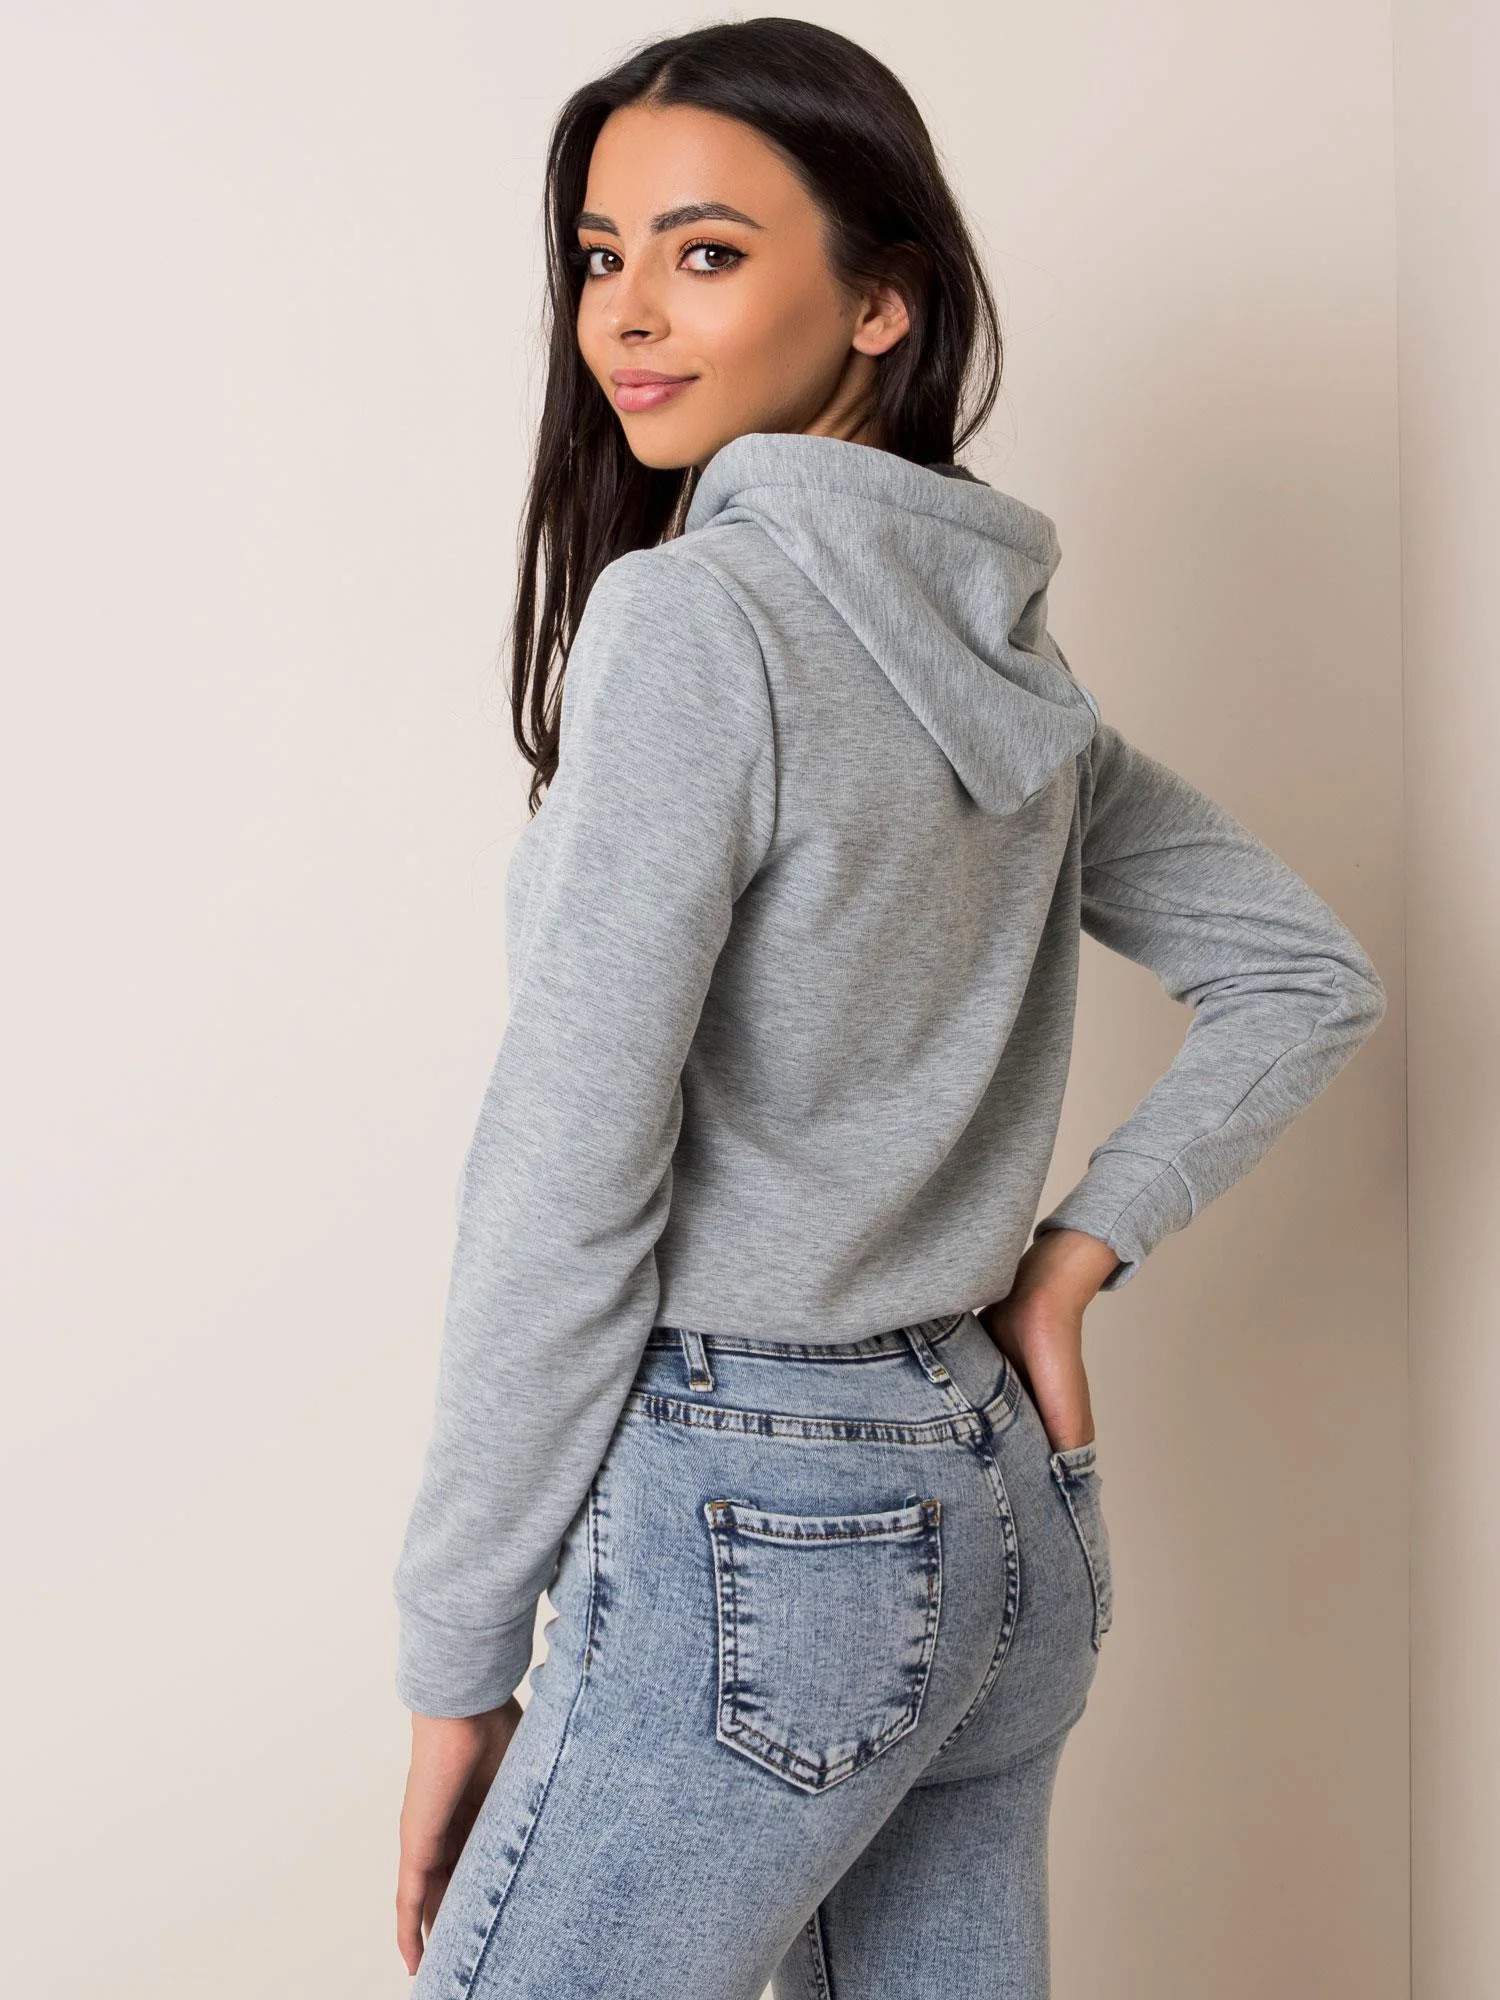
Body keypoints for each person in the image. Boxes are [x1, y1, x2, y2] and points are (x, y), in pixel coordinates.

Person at [391, 19, 1387, 1996]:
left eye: (706, 251)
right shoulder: (1004, 664)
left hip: (761, 1525)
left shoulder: (698, 622)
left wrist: (454, 1656)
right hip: (999, 1503)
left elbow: (569, 1174)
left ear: (881, 302)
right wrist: (1063, 1270)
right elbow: (1307, 972)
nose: (627, 313)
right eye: (600, 256)